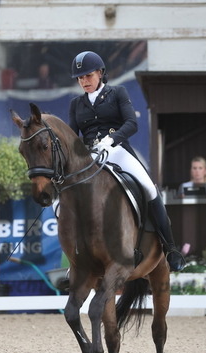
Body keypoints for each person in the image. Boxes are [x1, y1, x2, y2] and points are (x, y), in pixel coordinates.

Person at [67, 50, 184, 271]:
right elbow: (73, 137)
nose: (84, 81)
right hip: (91, 156)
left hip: (118, 150)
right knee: (71, 197)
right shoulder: (76, 104)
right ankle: (76, 259)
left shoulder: (117, 93)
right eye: (80, 78)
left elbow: (131, 123)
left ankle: (170, 248)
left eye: (88, 76)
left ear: (100, 73)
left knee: (149, 188)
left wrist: (111, 140)